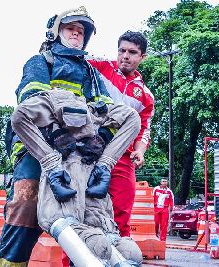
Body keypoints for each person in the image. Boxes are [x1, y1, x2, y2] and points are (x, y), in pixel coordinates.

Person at [0, 6, 141, 266]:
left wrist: (101, 140)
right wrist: (57, 134)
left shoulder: (92, 75)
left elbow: (108, 113)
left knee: (89, 222)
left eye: (81, 31)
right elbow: (31, 104)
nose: (77, 33)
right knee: (25, 212)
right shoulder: (41, 62)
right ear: (55, 31)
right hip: (37, 149)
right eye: (71, 28)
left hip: (80, 153)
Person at [88, 31, 155, 237]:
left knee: (121, 216)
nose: (125, 56)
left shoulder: (146, 95)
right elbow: (73, 57)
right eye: (122, 50)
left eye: (132, 52)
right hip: (90, 150)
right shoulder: (100, 67)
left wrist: (140, 151)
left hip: (122, 159)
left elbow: (144, 130)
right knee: (83, 213)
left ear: (142, 57)